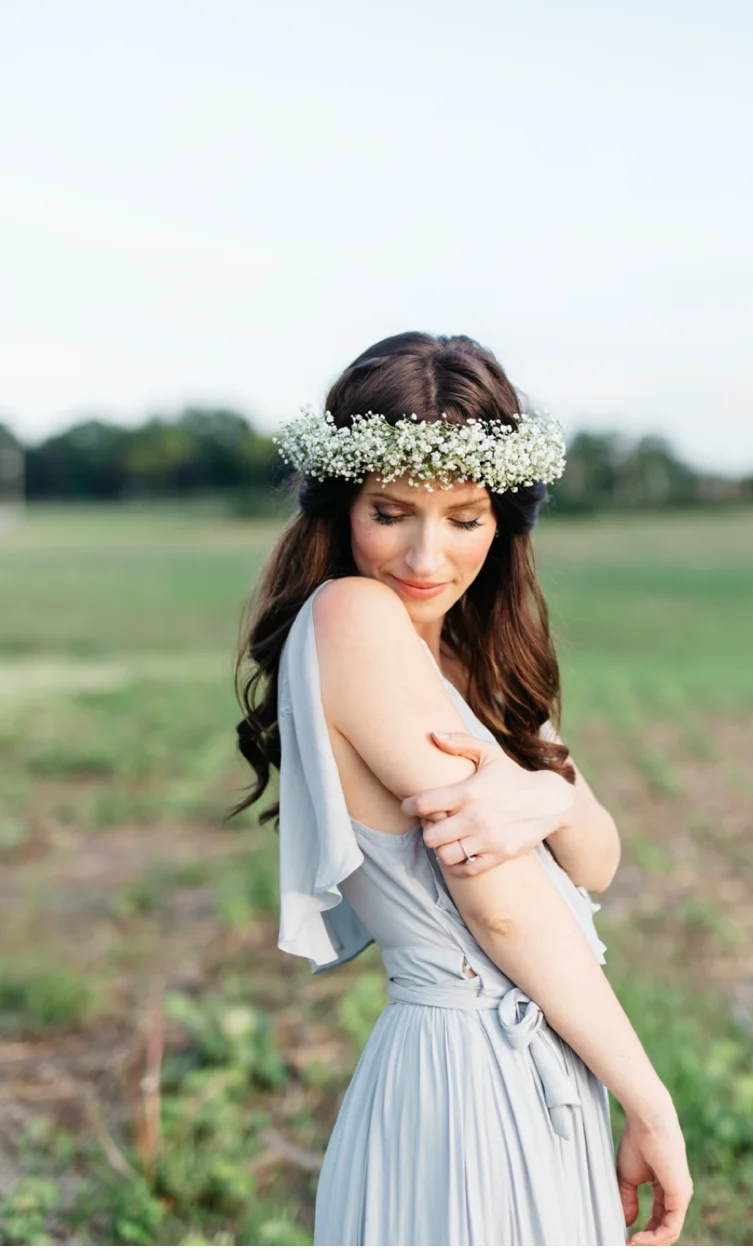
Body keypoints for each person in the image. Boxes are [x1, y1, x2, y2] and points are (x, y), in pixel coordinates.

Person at [233, 332, 693, 1247]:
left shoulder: (475, 655)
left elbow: (595, 856)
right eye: (391, 510)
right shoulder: (354, 615)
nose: (426, 555)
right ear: (342, 505)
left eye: (465, 515)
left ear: (505, 517)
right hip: (466, 1072)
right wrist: (654, 1102)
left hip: (539, 1058)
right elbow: (506, 907)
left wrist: (551, 798)